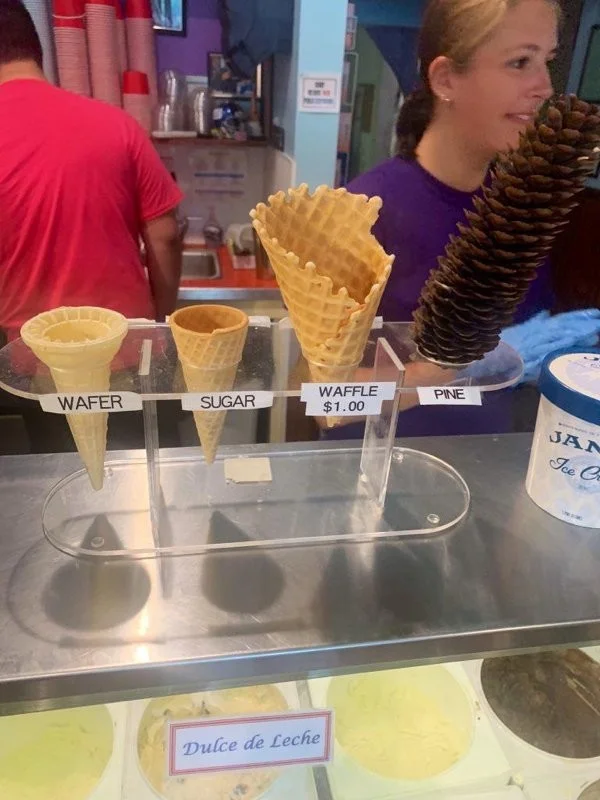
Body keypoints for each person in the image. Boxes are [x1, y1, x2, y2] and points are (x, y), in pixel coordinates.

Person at [337, 0, 600, 438]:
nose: (544, 87)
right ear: (446, 79)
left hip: (486, 463)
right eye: (520, 62)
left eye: (547, 62)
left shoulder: (521, 205)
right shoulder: (363, 213)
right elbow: (322, 401)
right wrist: (461, 365)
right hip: (381, 469)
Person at [0, 0, 183, 452]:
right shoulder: (116, 125)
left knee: (68, 475)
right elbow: (164, 236)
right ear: (38, 48)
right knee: (145, 474)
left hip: (41, 362)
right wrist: (158, 320)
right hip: (130, 349)